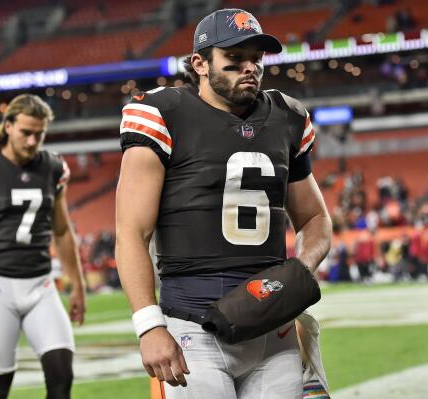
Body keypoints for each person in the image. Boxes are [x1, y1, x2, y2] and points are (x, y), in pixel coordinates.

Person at [115, 8, 332, 399]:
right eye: (234, 60)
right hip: (191, 327)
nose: (249, 68)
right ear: (199, 63)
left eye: (256, 60)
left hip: (273, 328)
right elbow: (131, 231)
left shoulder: (287, 116)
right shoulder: (164, 113)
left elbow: (315, 217)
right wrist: (149, 325)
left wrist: (297, 273)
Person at [0, 93, 87, 399]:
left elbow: (62, 231)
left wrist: (78, 285)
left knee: (61, 375)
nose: (33, 141)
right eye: (26, 132)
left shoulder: (52, 167)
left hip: (40, 284)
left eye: (39, 133)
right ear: (8, 126)